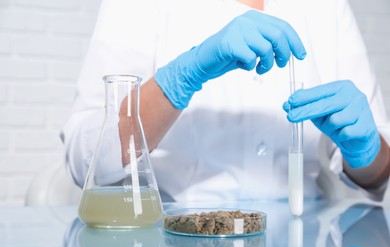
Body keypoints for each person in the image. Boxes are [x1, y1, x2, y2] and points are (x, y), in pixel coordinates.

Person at [61, 0, 390, 203]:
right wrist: (181, 77)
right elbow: (83, 158)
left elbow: (377, 175)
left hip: (300, 231)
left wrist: (366, 149)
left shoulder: (327, 6)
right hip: (173, 235)